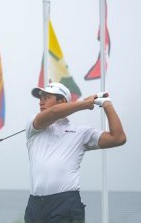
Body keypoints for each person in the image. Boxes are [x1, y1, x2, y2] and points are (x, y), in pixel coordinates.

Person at [24, 82, 126, 223]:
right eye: (40, 98)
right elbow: (54, 112)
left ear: (62, 101)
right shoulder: (33, 125)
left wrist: (106, 104)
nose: (41, 101)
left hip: (65, 203)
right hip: (34, 205)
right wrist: (85, 104)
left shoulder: (81, 132)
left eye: (47, 97)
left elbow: (118, 138)